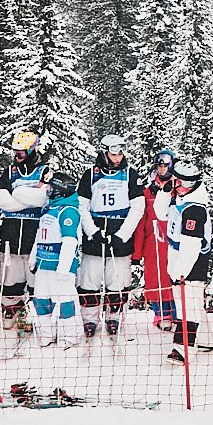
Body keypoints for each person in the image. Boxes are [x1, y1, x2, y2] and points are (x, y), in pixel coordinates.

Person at [76, 135, 145, 343]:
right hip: (95, 234)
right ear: (105, 152)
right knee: (90, 279)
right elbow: (81, 205)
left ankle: (114, 317)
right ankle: (90, 319)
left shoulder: (130, 175)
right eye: (114, 153)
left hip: (119, 234)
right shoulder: (90, 175)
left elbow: (138, 208)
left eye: (121, 153)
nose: (118, 157)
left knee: (117, 281)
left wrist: (122, 235)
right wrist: (92, 231)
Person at [0, 131, 52, 330]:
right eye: (15, 151)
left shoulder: (45, 171)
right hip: (11, 232)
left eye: (21, 152)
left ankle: (39, 316)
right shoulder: (9, 172)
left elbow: (43, 199)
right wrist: (27, 198)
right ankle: (12, 310)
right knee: (11, 277)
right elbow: (3, 201)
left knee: (35, 278)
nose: (17, 156)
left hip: (35, 232)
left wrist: (18, 195)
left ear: (32, 150)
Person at [162, 158, 213, 366]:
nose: (179, 187)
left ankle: (183, 349)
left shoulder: (195, 209)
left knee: (188, 306)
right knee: (191, 303)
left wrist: (179, 272)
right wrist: (165, 191)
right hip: (177, 255)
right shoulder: (179, 200)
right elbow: (160, 212)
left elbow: (192, 246)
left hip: (192, 262)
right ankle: (205, 340)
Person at [30, 169, 86, 348]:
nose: (48, 191)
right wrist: (33, 258)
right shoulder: (49, 208)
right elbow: (40, 235)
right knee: (41, 299)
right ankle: (46, 334)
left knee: (64, 300)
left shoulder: (68, 211)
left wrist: (64, 267)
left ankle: (69, 336)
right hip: (44, 263)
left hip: (60, 266)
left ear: (60, 190)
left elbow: (70, 241)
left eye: (51, 188)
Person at [136, 151, 178, 331]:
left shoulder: (179, 188)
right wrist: (136, 252)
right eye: (159, 165)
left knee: (174, 276)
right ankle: (161, 314)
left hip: (172, 240)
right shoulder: (148, 192)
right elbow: (140, 223)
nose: (162, 169)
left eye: (165, 165)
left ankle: (177, 315)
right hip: (153, 240)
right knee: (154, 277)